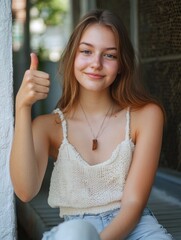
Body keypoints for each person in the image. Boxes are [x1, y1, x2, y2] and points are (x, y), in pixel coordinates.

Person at [10, 9, 173, 240]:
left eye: (109, 55)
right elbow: (25, 191)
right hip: (78, 229)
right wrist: (22, 106)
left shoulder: (146, 115)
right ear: (72, 58)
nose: (96, 63)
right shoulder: (49, 126)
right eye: (86, 51)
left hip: (137, 227)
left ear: (121, 65)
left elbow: (134, 203)